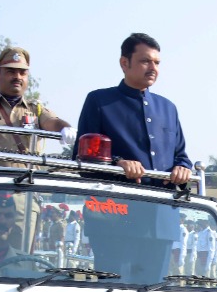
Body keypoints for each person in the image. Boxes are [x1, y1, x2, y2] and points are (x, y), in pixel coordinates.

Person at [76, 33, 193, 188]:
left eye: (157, 63)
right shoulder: (99, 101)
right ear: (124, 63)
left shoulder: (168, 108)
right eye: (145, 61)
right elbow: (83, 160)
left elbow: (181, 156)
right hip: (112, 205)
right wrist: (118, 162)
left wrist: (183, 168)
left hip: (165, 205)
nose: (153, 68)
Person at [0, 46, 71, 165]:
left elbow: (52, 122)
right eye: (11, 72)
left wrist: (65, 128)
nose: (17, 77)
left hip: (29, 180)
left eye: (22, 73)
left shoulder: (35, 110)